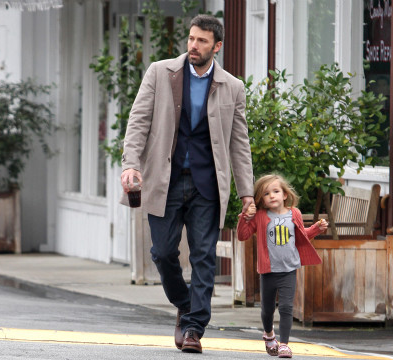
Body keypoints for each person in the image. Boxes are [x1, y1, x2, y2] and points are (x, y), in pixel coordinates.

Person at [119, 14, 255, 354]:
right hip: (164, 181)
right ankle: (185, 303)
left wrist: (247, 193)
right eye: (191, 39)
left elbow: (240, 143)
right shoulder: (160, 72)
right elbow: (138, 121)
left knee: (204, 256)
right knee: (163, 253)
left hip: (206, 185)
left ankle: (195, 328)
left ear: (217, 46)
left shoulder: (232, 87)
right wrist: (131, 164)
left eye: (202, 41)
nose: (193, 45)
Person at [237, 174, 328, 358]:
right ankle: (269, 334)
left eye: (276, 191)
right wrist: (245, 217)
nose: (272, 196)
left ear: (285, 194)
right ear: (260, 199)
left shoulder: (295, 213)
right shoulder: (261, 216)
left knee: (286, 307)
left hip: (289, 269)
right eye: (266, 194)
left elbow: (301, 235)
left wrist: (316, 229)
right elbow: (242, 235)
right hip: (268, 271)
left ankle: (284, 344)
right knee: (267, 309)